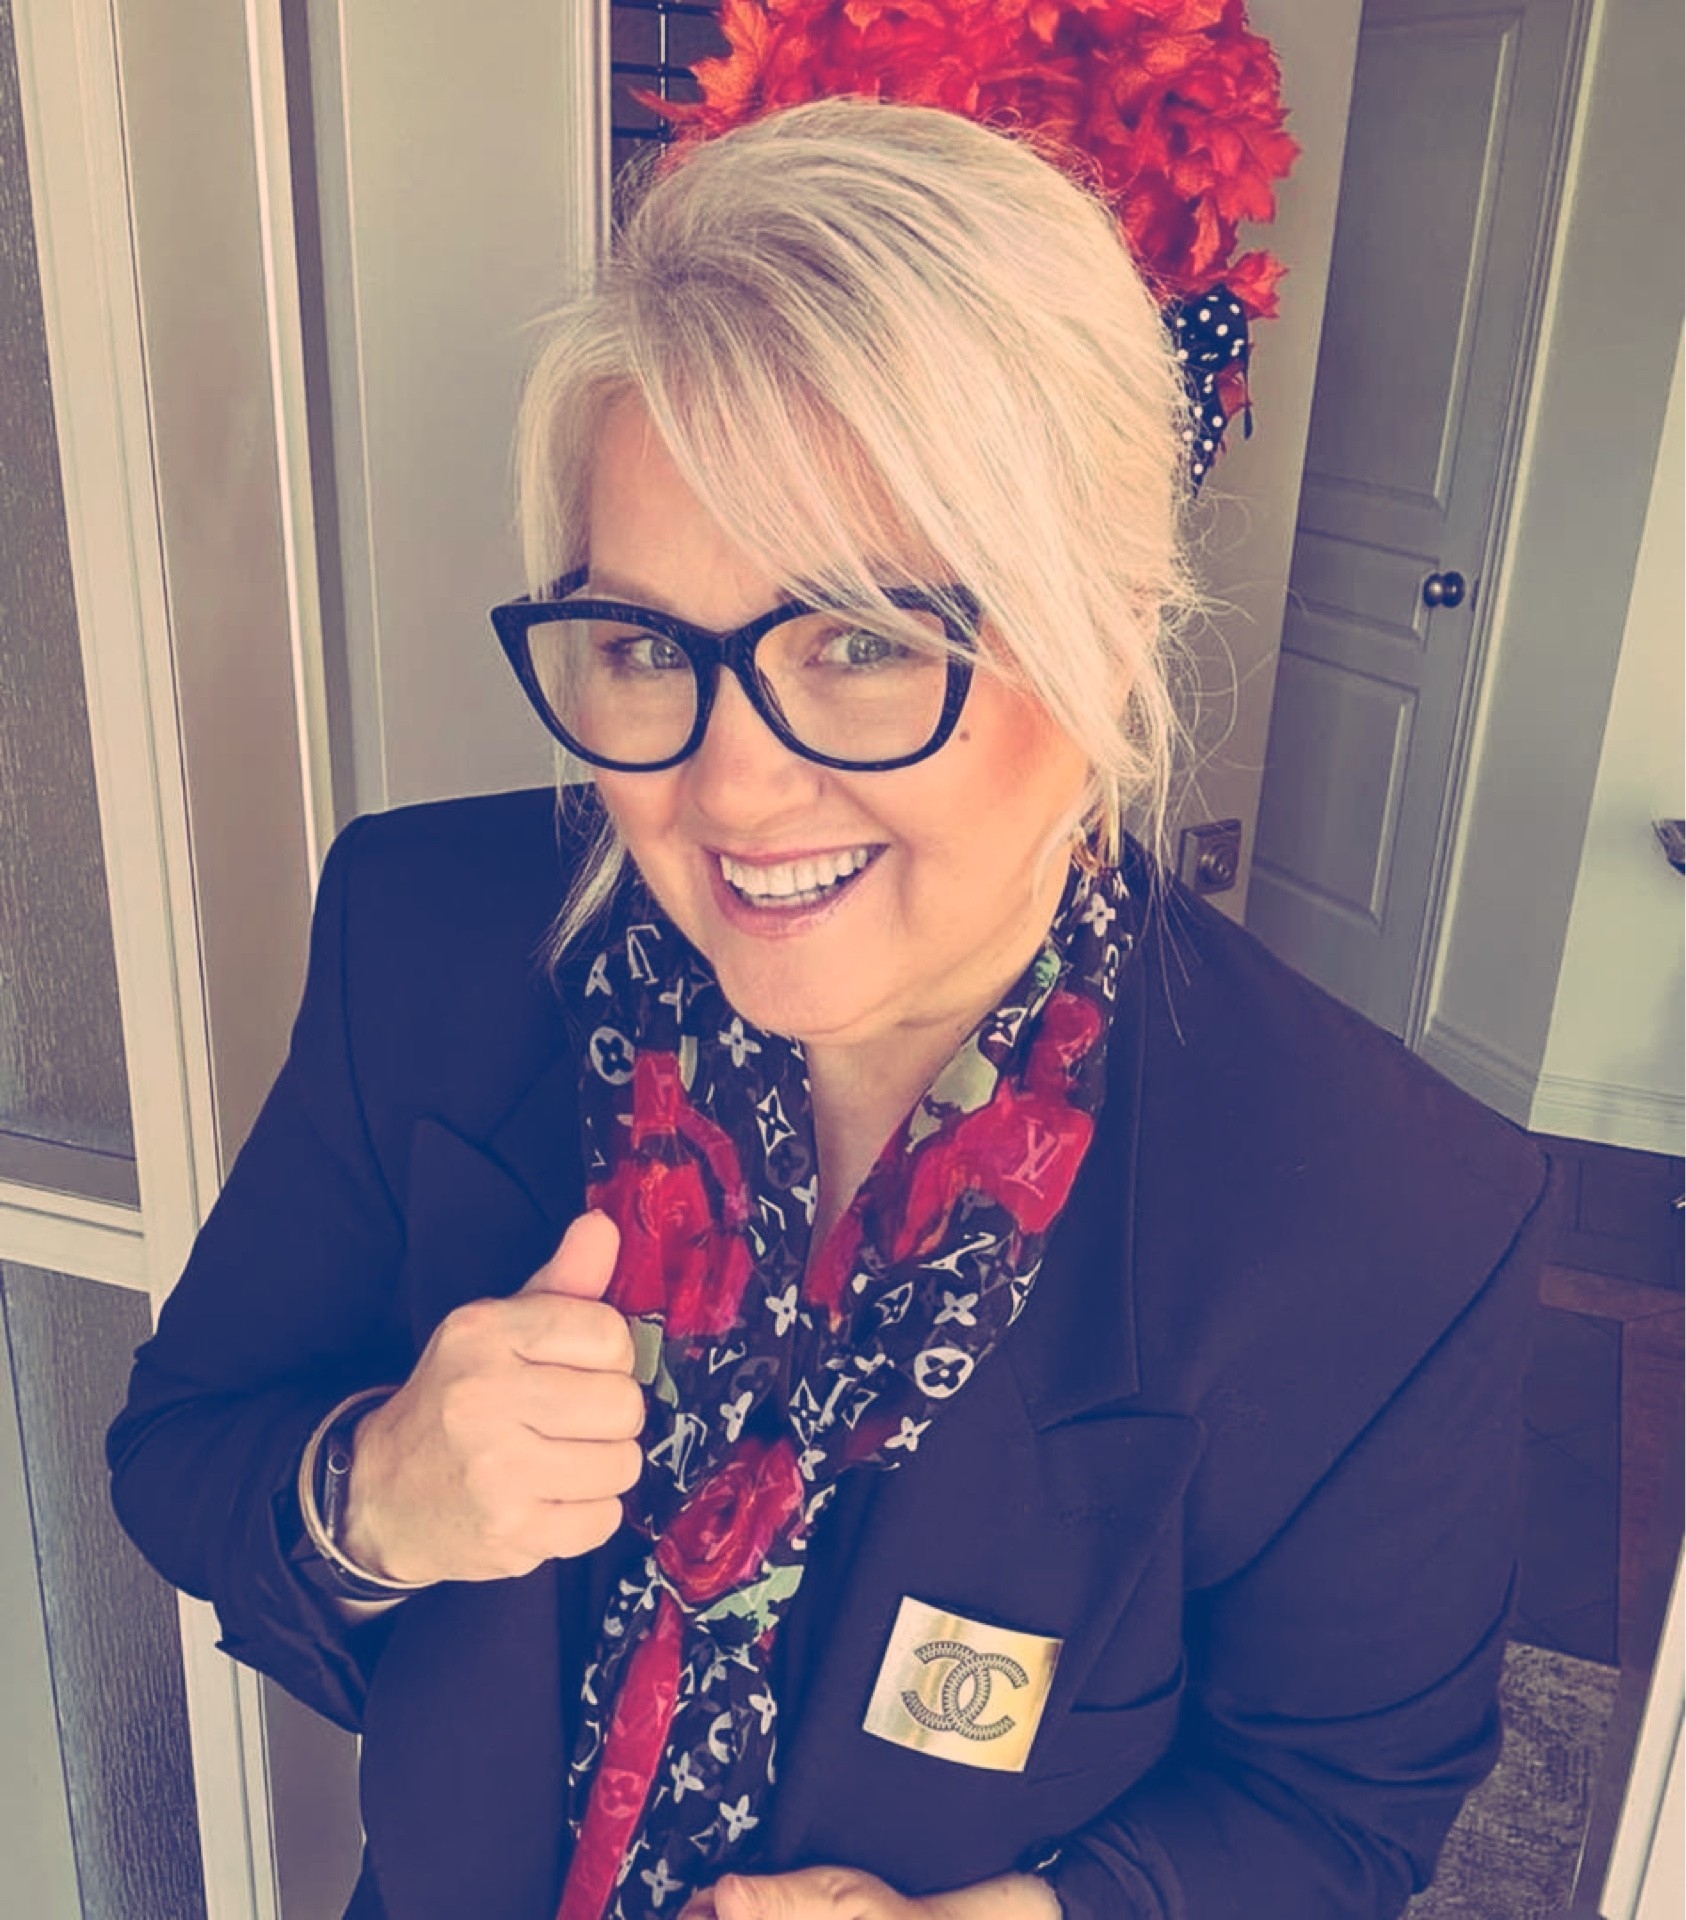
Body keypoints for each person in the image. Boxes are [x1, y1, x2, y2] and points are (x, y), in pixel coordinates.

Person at [108, 98, 1552, 1920]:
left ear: (1107, 633)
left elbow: (1343, 1808)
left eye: (863, 640)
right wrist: (374, 1496)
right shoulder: (430, 940)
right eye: (647, 646)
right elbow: (185, 1446)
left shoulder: (1385, 1215)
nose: (726, 789)